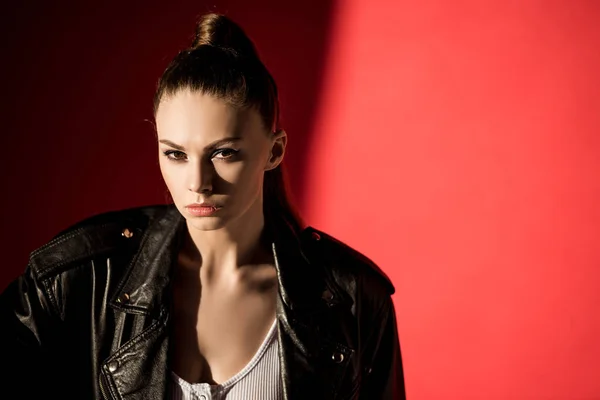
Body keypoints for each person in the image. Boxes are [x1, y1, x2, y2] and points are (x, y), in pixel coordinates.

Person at [0, 13, 405, 400]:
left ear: (275, 150)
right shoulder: (75, 280)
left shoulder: (353, 300)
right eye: (175, 154)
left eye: (224, 153)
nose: (198, 183)